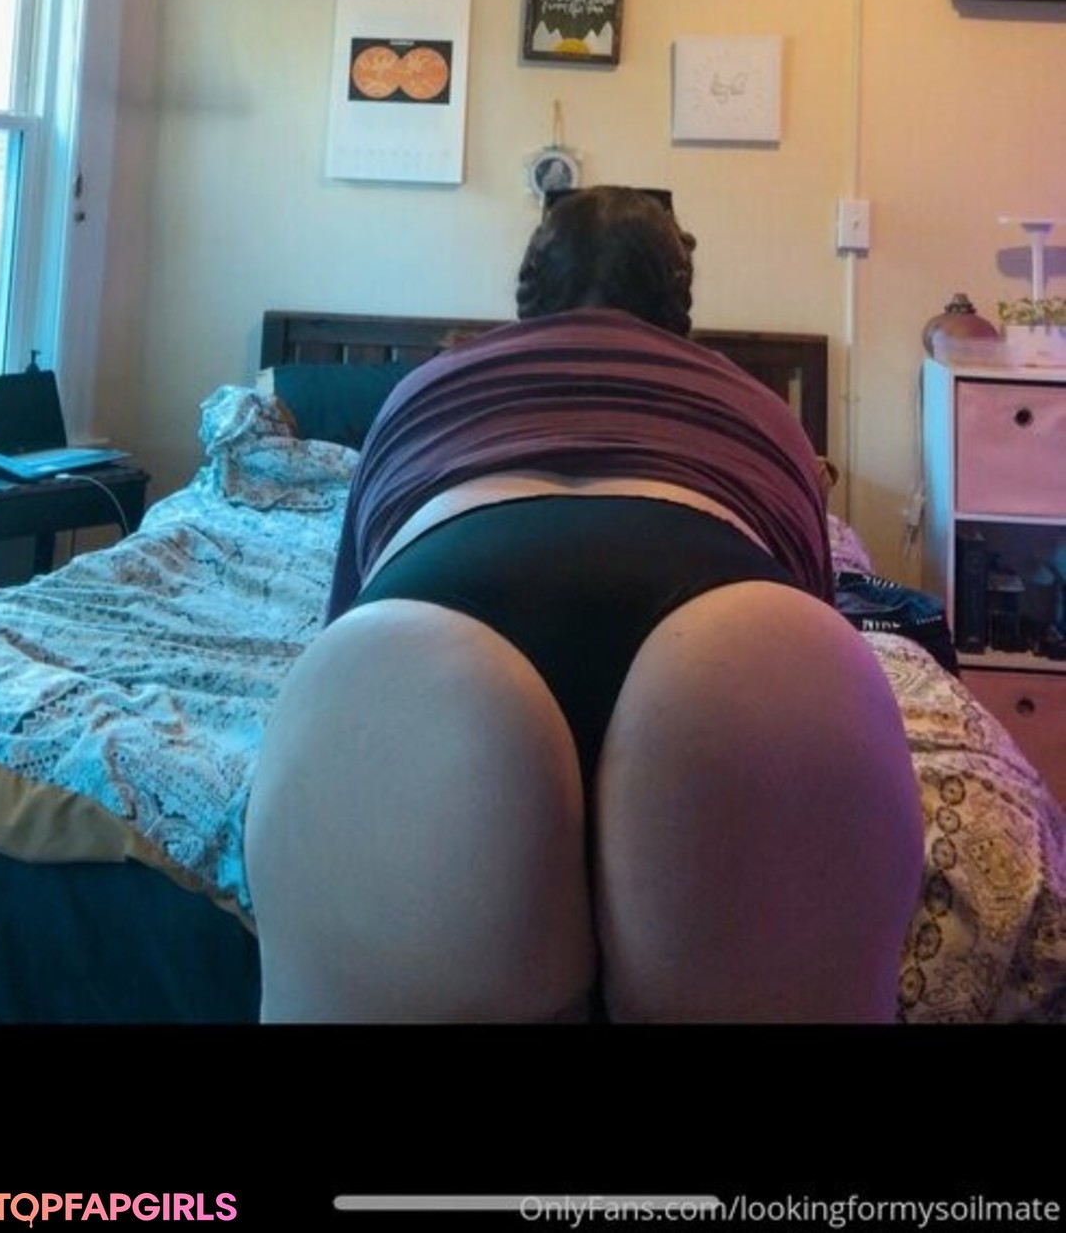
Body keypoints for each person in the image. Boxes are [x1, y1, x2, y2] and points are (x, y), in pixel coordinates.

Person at [245, 187, 924, 1023]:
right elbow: (815, 594)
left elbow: (343, 613)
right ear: (678, 301)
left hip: (432, 619)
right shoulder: (759, 405)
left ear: (529, 291)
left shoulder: (424, 387)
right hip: (734, 626)